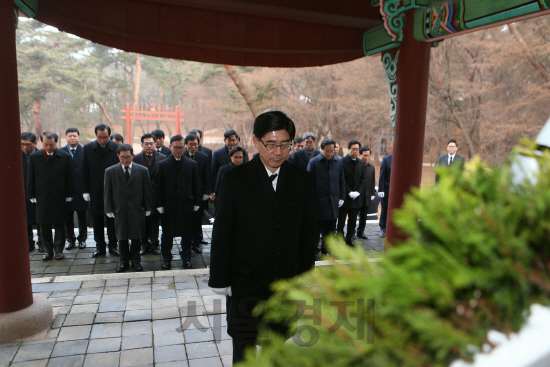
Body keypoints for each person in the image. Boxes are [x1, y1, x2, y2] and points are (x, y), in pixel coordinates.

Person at [208, 111, 318, 363]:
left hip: (284, 282)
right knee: (245, 349)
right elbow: (223, 232)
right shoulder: (234, 179)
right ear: (256, 141)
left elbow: (307, 233)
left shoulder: (302, 180)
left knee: (277, 347)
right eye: (271, 144)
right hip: (246, 281)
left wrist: (305, 274)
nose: (278, 151)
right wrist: (220, 278)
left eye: (285, 145)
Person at [104, 144, 152, 272]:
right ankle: (123, 261)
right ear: (118, 156)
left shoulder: (142, 170)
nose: (126, 160)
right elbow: (107, 191)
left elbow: (147, 190)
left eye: (128, 157)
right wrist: (108, 208)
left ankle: (136, 260)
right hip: (120, 210)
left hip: (137, 209)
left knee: (136, 237)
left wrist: (148, 207)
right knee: (122, 237)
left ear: (133, 156)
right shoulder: (110, 171)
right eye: (123, 157)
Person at [155, 135, 201, 270]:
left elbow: (196, 185)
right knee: (167, 234)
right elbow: (158, 186)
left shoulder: (192, 164)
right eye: (176, 147)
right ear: (170, 147)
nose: (179, 150)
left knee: (187, 234)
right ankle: (166, 260)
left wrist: (196, 202)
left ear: (184, 147)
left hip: (186, 205)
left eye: (181, 147)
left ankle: (186, 259)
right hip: (169, 205)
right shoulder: (163, 164)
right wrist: (159, 205)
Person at [27, 132, 74, 260]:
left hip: (59, 195)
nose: (48, 147)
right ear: (42, 143)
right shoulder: (34, 157)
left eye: (51, 144)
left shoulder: (65, 157)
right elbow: (30, 177)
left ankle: (59, 250)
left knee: (59, 224)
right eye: (46, 144)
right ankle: (48, 250)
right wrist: (31, 194)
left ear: (56, 142)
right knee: (43, 224)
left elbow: (70, 177)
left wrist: (70, 194)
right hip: (42, 195)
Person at [82, 124, 121, 257]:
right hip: (95, 190)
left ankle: (113, 246)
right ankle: (100, 247)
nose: (102, 140)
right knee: (97, 220)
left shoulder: (116, 148)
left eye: (105, 137)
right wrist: (85, 190)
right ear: (96, 135)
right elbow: (84, 170)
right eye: (100, 137)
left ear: (109, 135)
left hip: (113, 189)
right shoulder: (87, 148)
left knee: (112, 219)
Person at [307, 139, 345, 258]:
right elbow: (308, 183)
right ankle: (313, 252)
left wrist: (341, 197)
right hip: (318, 203)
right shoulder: (314, 163)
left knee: (329, 231)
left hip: (332, 203)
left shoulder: (338, 162)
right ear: (321, 149)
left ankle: (325, 251)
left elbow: (341, 181)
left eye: (332, 151)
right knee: (315, 231)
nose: (329, 154)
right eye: (327, 151)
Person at [133, 133, 167, 255]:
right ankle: (144, 244)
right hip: (141, 194)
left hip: (156, 193)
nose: (149, 146)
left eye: (151, 143)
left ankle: (154, 244)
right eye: (146, 144)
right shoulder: (136, 158)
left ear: (155, 144)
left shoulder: (162, 158)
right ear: (142, 145)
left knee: (155, 220)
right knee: (142, 221)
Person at [183, 133, 210, 253]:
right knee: (186, 220)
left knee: (197, 220)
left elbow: (206, 176)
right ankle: (186, 244)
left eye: (195, 144)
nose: (193, 147)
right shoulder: (181, 155)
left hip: (198, 193)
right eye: (190, 144)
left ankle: (196, 243)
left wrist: (206, 193)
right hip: (185, 194)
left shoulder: (203, 157)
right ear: (186, 145)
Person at [337, 140, 366, 246]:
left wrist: (358, 192)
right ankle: (340, 238)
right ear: (348, 149)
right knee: (341, 220)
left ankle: (349, 238)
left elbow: (363, 179)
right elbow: (342, 178)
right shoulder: (342, 162)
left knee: (353, 220)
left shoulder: (361, 163)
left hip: (356, 198)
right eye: (353, 149)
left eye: (357, 149)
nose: (355, 151)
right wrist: (349, 192)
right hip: (345, 196)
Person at [63, 128, 88, 250]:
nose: (72, 138)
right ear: (66, 137)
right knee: (68, 216)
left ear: (78, 137)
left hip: (81, 188)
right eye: (70, 136)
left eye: (74, 136)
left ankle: (82, 239)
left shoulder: (85, 151)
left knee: (82, 215)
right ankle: (70, 239)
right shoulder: (61, 152)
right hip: (66, 189)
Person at [210, 129, 250, 194]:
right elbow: (214, 173)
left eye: (233, 140)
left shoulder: (244, 153)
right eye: (229, 140)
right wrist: (213, 191)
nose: (231, 142)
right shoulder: (217, 153)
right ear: (225, 140)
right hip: (224, 190)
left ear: (237, 140)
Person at [21, 132, 42, 252]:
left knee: (40, 218)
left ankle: (42, 242)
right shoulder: (16, 156)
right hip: (23, 192)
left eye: (28, 145)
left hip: (39, 192)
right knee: (26, 218)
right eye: (22, 144)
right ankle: (29, 242)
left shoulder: (40, 155)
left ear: (34, 143)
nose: (25, 147)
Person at [356, 146, 376, 239]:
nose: (366, 157)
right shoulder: (356, 165)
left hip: (367, 195)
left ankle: (361, 232)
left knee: (364, 216)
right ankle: (351, 233)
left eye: (368, 155)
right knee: (353, 216)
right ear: (360, 154)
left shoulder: (371, 167)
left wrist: (372, 194)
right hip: (356, 195)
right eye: (364, 155)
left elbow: (372, 181)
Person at [378, 152, 393, 238]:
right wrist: (381, 189)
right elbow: (382, 175)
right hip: (387, 188)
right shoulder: (386, 159)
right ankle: (383, 228)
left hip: (398, 189)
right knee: (385, 208)